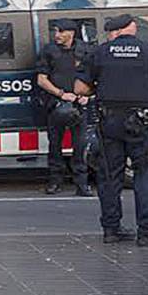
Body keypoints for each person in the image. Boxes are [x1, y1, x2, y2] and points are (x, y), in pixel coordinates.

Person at [74, 14, 148, 246]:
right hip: (141, 121)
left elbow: (80, 88)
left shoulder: (99, 53)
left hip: (109, 120)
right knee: (144, 173)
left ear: (116, 31)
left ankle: (112, 229)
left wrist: (99, 90)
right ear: (132, 29)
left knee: (110, 175)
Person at [35, 18, 93, 196]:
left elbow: (96, 76)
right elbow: (41, 79)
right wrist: (61, 94)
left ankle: (82, 184)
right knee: (55, 146)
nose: (56, 35)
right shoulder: (49, 51)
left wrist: (88, 95)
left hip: (80, 105)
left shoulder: (86, 51)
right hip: (56, 104)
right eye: (55, 31)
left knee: (80, 146)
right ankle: (55, 182)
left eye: (60, 32)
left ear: (71, 33)